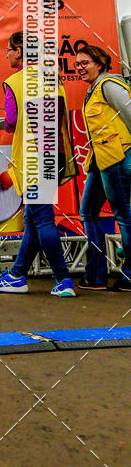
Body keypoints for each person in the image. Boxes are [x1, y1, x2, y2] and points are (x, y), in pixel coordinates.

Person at [0, 30, 78, 296]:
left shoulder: (15, 82)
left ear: (19, 50)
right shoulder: (53, 78)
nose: (6, 54)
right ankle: (17, 275)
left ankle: (63, 280)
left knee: (43, 219)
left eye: (9, 49)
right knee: (34, 217)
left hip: (31, 159)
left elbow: (13, 123)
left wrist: (7, 123)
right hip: (53, 155)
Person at [75, 44, 131, 291]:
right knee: (88, 212)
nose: (80, 67)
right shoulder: (94, 89)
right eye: (78, 64)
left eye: (85, 62)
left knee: (124, 216)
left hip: (118, 157)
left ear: (100, 63)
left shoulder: (108, 85)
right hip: (102, 160)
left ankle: (129, 275)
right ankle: (96, 275)